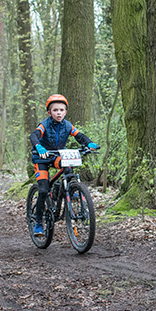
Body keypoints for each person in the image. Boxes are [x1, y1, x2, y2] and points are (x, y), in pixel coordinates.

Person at [29, 94, 98, 237]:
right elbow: (34, 135)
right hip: (41, 158)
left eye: (61, 110)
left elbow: (79, 136)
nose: (58, 112)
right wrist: (38, 147)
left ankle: (68, 189)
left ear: (65, 112)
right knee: (42, 190)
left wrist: (89, 143)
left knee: (68, 165)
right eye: (55, 110)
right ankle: (38, 223)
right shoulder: (44, 125)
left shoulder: (67, 125)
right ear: (49, 113)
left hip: (56, 155)